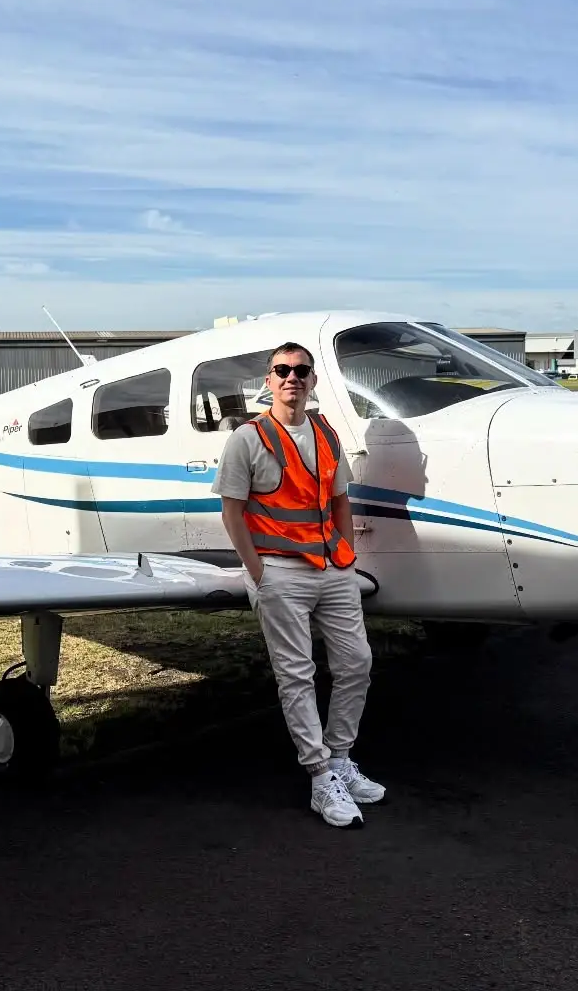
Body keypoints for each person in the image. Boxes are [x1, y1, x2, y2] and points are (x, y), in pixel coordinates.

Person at [213, 342, 385, 828]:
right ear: (268, 381)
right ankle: (318, 777)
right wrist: (258, 572)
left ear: (311, 381)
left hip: (332, 567)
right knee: (297, 674)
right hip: (279, 570)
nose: (292, 377)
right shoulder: (248, 438)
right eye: (282, 370)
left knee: (357, 662)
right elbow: (231, 510)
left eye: (301, 371)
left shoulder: (326, 433)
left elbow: (340, 500)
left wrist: (345, 558)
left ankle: (339, 759)